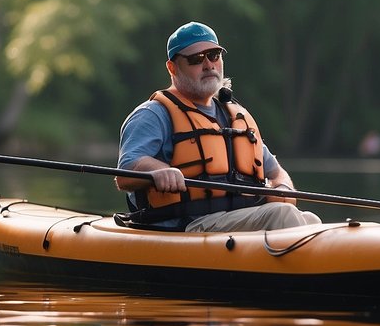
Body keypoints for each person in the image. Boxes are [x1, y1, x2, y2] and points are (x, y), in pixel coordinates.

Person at [116, 21, 321, 231]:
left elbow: (276, 172)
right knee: (282, 214)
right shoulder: (153, 114)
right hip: (188, 225)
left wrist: (283, 187)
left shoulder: (234, 115)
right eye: (196, 59)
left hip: (235, 220)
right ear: (172, 68)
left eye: (214, 55)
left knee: (310, 219)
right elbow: (125, 173)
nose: (208, 65)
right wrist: (158, 170)